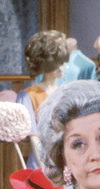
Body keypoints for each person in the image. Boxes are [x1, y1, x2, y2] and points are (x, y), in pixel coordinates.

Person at [18, 30, 69, 168]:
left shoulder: (67, 93)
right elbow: (34, 138)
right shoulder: (29, 95)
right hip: (41, 164)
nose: (62, 67)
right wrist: (45, 169)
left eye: (63, 61)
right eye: (58, 63)